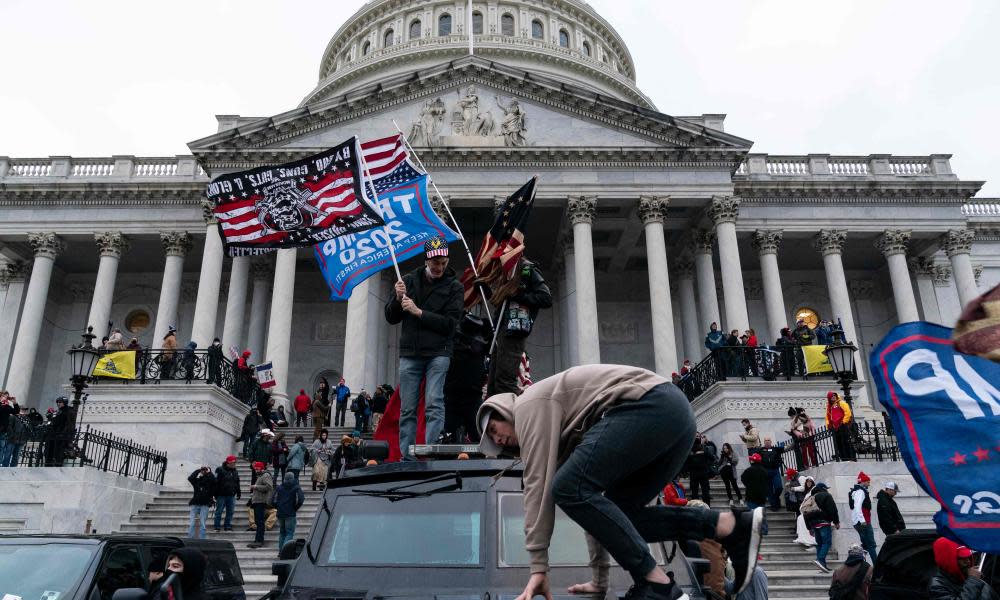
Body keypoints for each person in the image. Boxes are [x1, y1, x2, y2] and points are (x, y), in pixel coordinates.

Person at [477, 365, 765, 599]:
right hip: (674, 419)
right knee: (620, 514)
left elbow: (537, 490)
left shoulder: (529, 405)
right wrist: (600, 580)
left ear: (504, 411)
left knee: (565, 487)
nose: (498, 440)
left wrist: (538, 568)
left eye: (494, 429)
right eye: (494, 442)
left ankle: (657, 584)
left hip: (651, 406)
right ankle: (727, 525)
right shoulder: (562, 435)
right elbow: (597, 515)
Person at [386, 236, 464, 458]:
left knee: (434, 402)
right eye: (434, 262)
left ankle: (432, 452)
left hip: (439, 352)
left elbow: (450, 324)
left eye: (442, 262)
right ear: (426, 260)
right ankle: (407, 455)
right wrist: (397, 298)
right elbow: (391, 317)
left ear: (447, 261)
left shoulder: (454, 287)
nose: (439, 267)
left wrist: (419, 312)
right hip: (411, 353)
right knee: (408, 408)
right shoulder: (409, 281)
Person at [486, 257, 553, 396]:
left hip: (515, 331)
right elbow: (500, 301)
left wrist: (518, 295)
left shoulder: (527, 269)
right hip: (500, 331)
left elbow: (546, 298)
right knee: (493, 383)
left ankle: (513, 414)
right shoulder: (504, 270)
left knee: (505, 382)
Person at [927, 536, 999, 600]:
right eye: (962, 558)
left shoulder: (969, 579)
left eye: (968, 557)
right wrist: (973, 580)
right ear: (948, 560)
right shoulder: (937, 586)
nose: (968, 562)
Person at [805, 481, 840, 573]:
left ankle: (822, 565)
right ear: (824, 488)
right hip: (824, 522)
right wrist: (836, 522)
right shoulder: (826, 495)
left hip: (814, 524)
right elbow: (833, 509)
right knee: (827, 543)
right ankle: (820, 560)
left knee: (820, 544)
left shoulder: (811, 497)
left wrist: (809, 527)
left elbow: (805, 513)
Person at [849, 471, 878, 564]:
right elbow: (857, 506)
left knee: (865, 545)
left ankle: (858, 563)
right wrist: (862, 520)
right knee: (871, 545)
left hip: (858, 522)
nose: (869, 484)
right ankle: (878, 567)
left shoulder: (855, 492)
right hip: (863, 522)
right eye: (868, 482)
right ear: (863, 482)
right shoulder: (860, 491)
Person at [273, 472, 305, 556]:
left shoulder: (279, 487)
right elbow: (301, 499)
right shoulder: (296, 487)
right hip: (290, 513)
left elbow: (271, 499)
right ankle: (285, 552)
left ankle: (280, 552)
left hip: (280, 513)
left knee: (282, 532)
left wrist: (277, 507)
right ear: (293, 478)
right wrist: (295, 508)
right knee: (289, 533)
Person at [247, 461, 273, 548]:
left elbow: (269, 487)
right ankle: (257, 540)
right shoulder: (260, 476)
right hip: (257, 502)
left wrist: (256, 487)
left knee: (260, 522)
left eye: (257, 468)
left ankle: (259, 540)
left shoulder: (266, 475)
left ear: (261, 468)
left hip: (261, 502)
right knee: (258, 522)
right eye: (255, 468)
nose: (255, 470)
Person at [213, 455, 240, 532]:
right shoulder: (219, 469)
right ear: (228, 462)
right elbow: (216, 482)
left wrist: (238, 492)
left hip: (231, 495)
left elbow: (237, 482)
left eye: (235, 462)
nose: (235, 464)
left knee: (230, 512)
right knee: (219, 511)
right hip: (221, 495)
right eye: (233, 462)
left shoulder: (235, 471)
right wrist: (215, 494)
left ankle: (227, 526)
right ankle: (217, 526)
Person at [187, 466, 216, 539]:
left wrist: (209, 471)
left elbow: (214, 480)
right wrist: (198, 470)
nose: (203, 471)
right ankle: (190, 538)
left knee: (202, 523)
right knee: (191, 523)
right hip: (195, 503)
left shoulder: (210, 482)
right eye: (203, 470)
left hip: (205, 504)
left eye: (205, 470)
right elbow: (190, 478)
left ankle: (202, 540)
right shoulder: (197, 482)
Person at [826, 391, 855, 461]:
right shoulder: (829, 407)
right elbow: (828, 417)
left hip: (842, 426)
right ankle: (843, 458)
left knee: (846, 442)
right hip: (835, 428)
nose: (833, 397)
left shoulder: (841, 403)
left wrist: (844, 422)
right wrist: (829, 426)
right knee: (839, 444)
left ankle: (851, 457)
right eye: (831, 397)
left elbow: (848, 412)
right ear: (829, 399)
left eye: (834, 396)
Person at [757, 437, 784, 510]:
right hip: (765, 472)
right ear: (764, 442)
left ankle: (775, 499)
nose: (767, 442)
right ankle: (774, 505)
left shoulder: (775, 449)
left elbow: (787, 448)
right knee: (769, 490)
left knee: (779, 487)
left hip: (775, 471)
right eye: (765, 440)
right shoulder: (760, 450)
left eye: (768, 440)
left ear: (771, 441)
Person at [686, 437, 714, 506]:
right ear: (699, 442)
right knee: (705, 492)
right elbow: (712, 458)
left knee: (694, 493)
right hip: (703, 473)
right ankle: (707, 507)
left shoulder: (689, 451)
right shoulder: (704, 449)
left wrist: (688, 470)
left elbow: (686, 463)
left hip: (693, 474)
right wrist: (706, 464)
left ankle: (695, 509)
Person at [793, 476, 817, 547]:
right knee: (800, 519)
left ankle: (808, 540)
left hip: (811, 512)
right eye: (807, 482)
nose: (808, 483)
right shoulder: (808, 491)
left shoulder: (813, 490)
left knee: (802, 520)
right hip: (805, 513)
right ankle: (802, 538)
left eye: (810, 482)